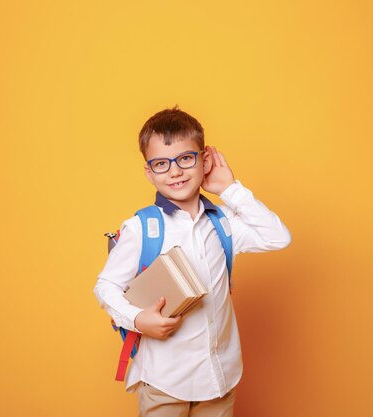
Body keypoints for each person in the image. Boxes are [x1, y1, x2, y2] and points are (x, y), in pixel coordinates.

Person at [94, 106, 292, 417]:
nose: (175, 171)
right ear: (149, 171)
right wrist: (137, 320)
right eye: (161, 164)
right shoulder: (142, 228)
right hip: (165, 381)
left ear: (205, 159)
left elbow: (278, 237)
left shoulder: (223, 222)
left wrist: (230, 189)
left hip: (220, 375)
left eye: (186, 158)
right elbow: (106, 287)